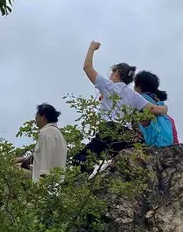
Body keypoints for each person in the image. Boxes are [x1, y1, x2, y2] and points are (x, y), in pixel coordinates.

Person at [72, 41, 169, 170]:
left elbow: (87, 67)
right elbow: (154, 109)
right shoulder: (133, 95)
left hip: (108, 131)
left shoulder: (108, 86)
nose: (110, 76)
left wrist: (91, 48)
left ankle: (83, 183)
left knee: (80, 160)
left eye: (111, 73)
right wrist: (165, 108)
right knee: (121, 165)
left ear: (116, 72)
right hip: (125, 137)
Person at [15, 104, 68, 181]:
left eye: (36, 115)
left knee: (12, 170)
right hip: (56, 180)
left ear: (43, 117)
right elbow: (43, 155)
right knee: (18, 166)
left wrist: (41, 184)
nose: (35, 118)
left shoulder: (46, 133)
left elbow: (46, 160)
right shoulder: (58, 134)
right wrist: (23, 159)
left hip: (46, 182)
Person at [133, 70, 179, 147]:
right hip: (165, 153)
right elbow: (175, 142)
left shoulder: (136, 104)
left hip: (142, 149)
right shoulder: (167, 117)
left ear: (138, 88)